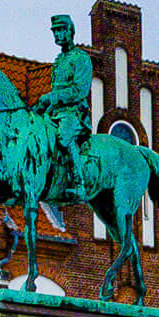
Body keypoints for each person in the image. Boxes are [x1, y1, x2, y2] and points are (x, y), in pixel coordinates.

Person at [29, 13, 94, 202]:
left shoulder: (81, 58)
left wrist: (51, 97)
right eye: (55, 31)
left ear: (70, 31)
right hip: (55, 113)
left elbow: (79, 90)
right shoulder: (58, 61)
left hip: (74, 114)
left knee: (63, 137)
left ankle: (79, 184)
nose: (57, 35)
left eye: (61, 30)